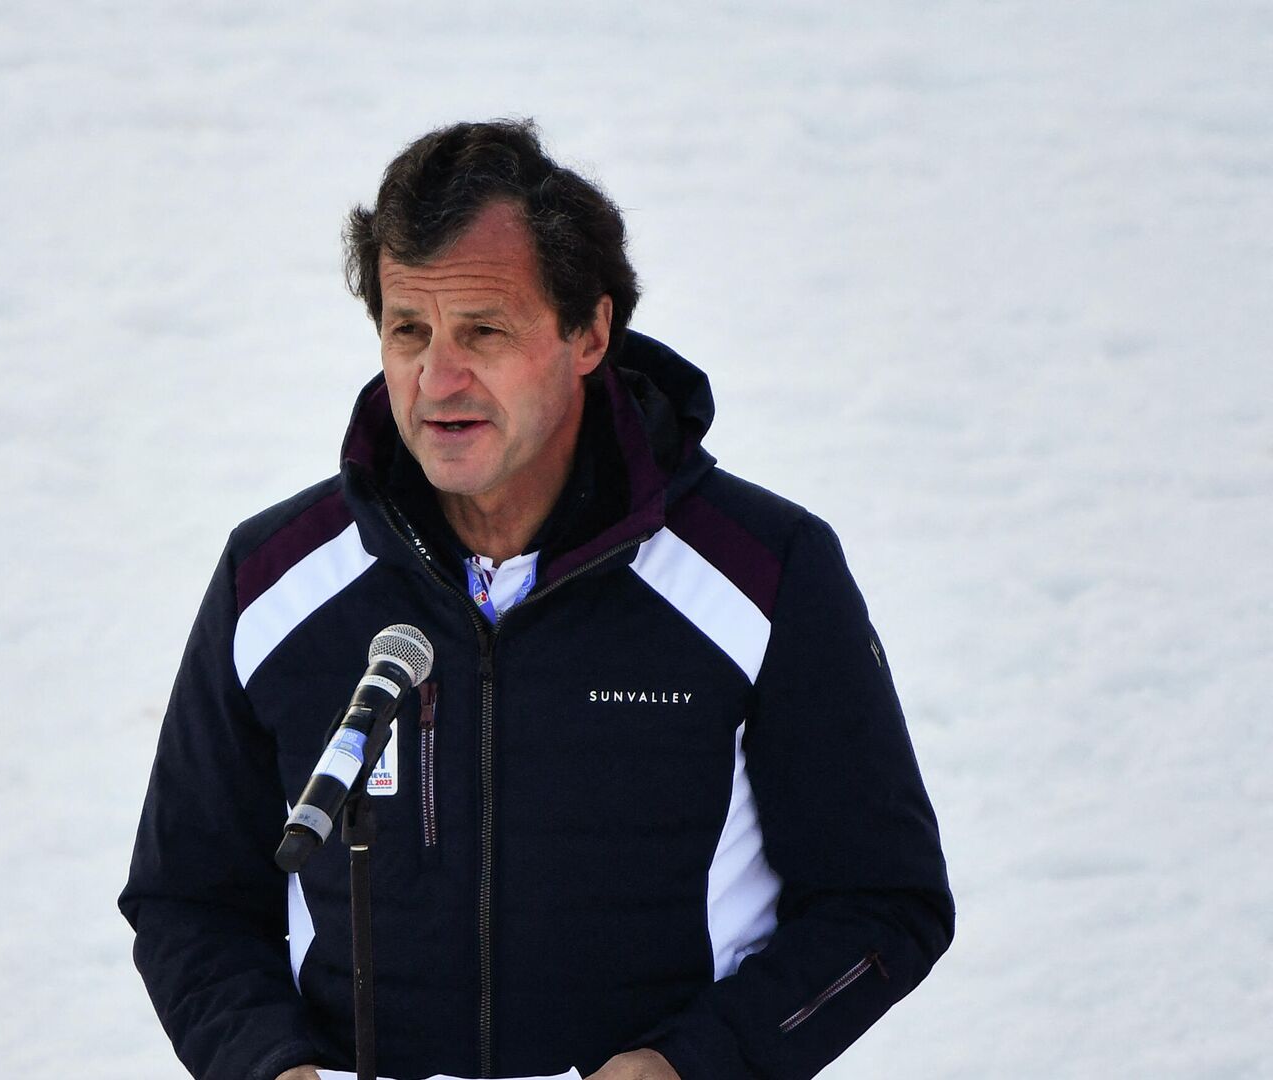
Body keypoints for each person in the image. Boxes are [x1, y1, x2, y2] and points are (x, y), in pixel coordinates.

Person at [119, 119, 953, 1080]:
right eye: (409, 331)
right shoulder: (274, 578)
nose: (438, 380)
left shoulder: (764, 572)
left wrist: (696, 1065)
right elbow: (189, 900)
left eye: (484, 330)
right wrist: (269, 1066)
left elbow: (885, 903)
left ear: (589, 332)